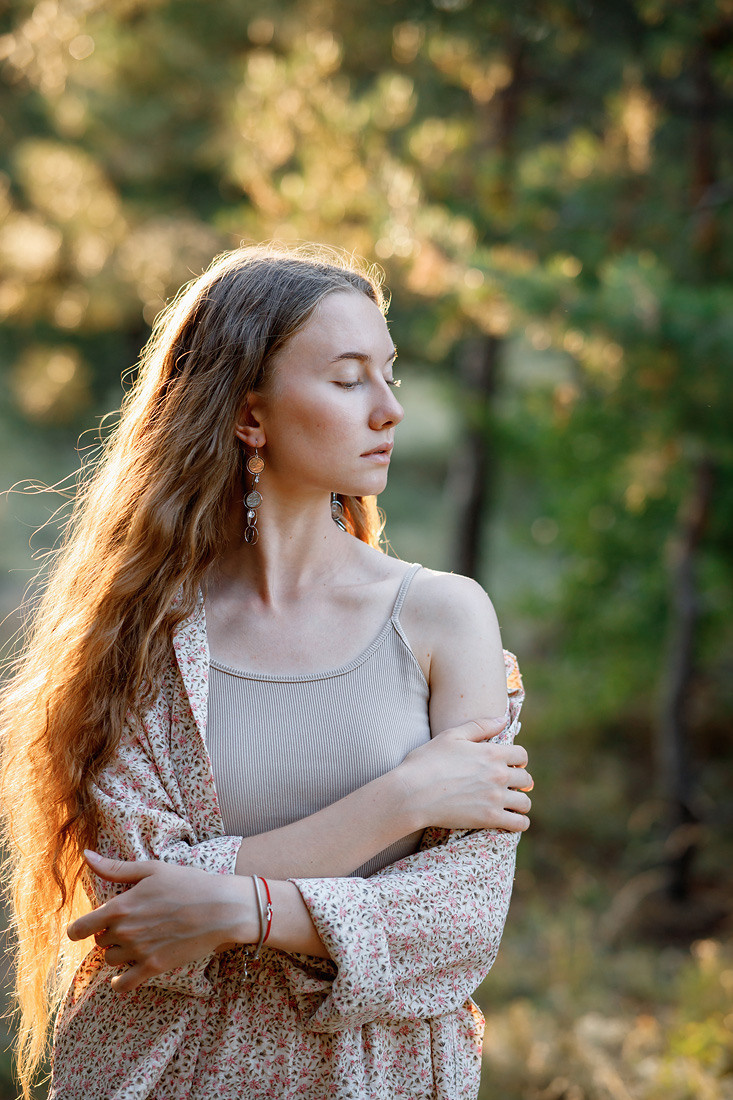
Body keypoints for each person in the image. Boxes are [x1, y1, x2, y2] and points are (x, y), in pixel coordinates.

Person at [0, 244, 531, 1100]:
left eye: (389, 375)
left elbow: (460, 918)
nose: (389, 409)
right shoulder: (141, 635)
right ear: (250, 417)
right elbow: (142, 911)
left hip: (377, 1073)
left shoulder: (443, 617)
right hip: (162, 1070)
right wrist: (405, 798)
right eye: (349, 378)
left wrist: (237, 907)